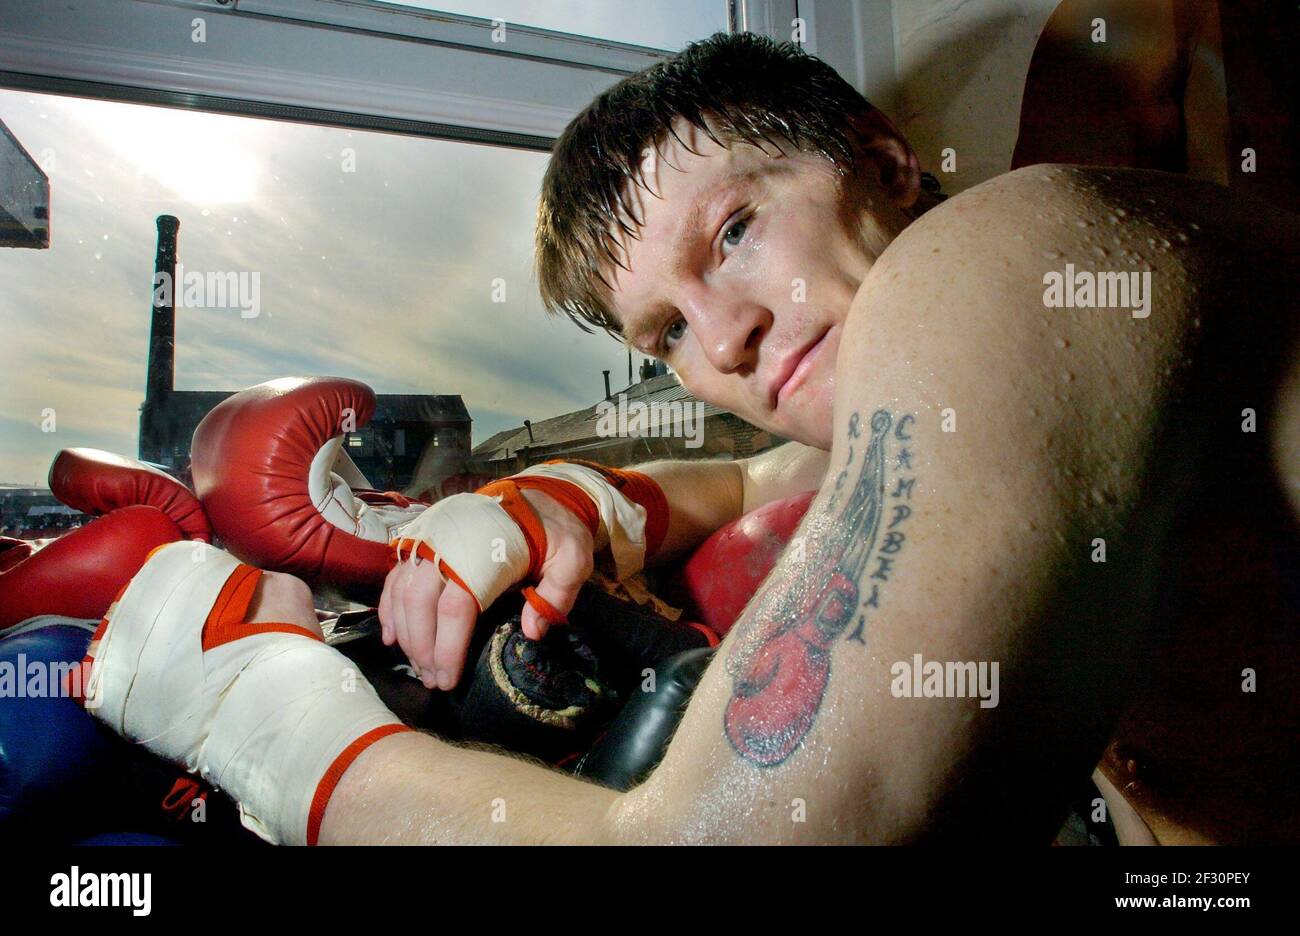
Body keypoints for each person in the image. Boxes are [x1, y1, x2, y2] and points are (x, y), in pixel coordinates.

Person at [84, 32, 1298, 844]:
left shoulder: (999, 254)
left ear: (879, 161)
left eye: (731, 234)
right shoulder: (945, 389)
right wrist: (575, 501)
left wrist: (266, 720)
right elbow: (763, 470)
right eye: (663, 329)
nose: (723, 339)